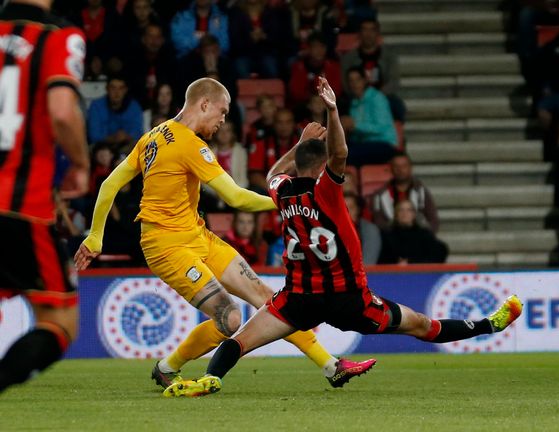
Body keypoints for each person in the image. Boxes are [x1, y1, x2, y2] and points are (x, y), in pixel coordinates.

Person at [163, 77, 523, 397]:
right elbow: (341, 153)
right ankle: (489, 324)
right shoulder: (327, 193)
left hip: (298, 298)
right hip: (348, 299)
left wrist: (298, 144)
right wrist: (333, 112)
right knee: (421, 325)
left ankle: (212, 378)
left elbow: (274, 171)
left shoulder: (282, 192)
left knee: (240, 341)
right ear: (322, 169)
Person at [74, 77, 372, 391]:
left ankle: (331, 366)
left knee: (268, 298)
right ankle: (168, 367)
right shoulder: (190, 145)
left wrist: (95, 235)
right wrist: (292, 203)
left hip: (197, 235)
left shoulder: (152, 136)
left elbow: (109, 184)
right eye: (222, 112)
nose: (223, 120)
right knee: (228, 318)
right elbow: (236, 198)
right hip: (165, 246)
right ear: (204, 104)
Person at [0, 0, 89, 393]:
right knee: (59, 320)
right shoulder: (58, 37)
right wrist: (81, 164)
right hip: (19, 207)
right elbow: (62, 111)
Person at [370, 151, 439, 233]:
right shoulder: (379, 195)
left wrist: (425, 236)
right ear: (391, 169)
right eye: (396, 166)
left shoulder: (421, 191)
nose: (400, 170)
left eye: (404, 166)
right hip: (391, 239)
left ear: (410, 168)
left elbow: (433, 220)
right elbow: (379, 222)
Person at [341, 66, 397, 166]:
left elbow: (381, 128)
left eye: (358, 79)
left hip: (383, 144)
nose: (354, 84)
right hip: (364, 144)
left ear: (364, 80)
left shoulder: (377, 98)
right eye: (351, 80)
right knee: (335, 151)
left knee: (345, 155)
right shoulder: (354, 102)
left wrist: (354, 125)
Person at [86, 74, 144, 154]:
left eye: (121, 88)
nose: (117, 92)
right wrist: (113, 138)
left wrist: (125, 137)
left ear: (125, 90)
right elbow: (94, 136)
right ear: (107, 89)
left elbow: (138, 134)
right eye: (113, 88)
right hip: (101, 147)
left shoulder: (134, 107)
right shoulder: (96, 106)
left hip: (126, 147)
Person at [379, 200, 448, 265]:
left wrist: (411, 262)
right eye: (401, 210)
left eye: (409, 210)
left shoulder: (424, 234)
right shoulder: (386, 235)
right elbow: (382, 258)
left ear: (414, 214)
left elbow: (439, 252)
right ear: (396, 214)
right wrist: (397, 262)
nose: (404, 213)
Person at [344, 191, 380, 265]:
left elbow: (368, 262)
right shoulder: (328, 230)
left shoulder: (370, 230)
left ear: (357, 210)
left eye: (351, 207)